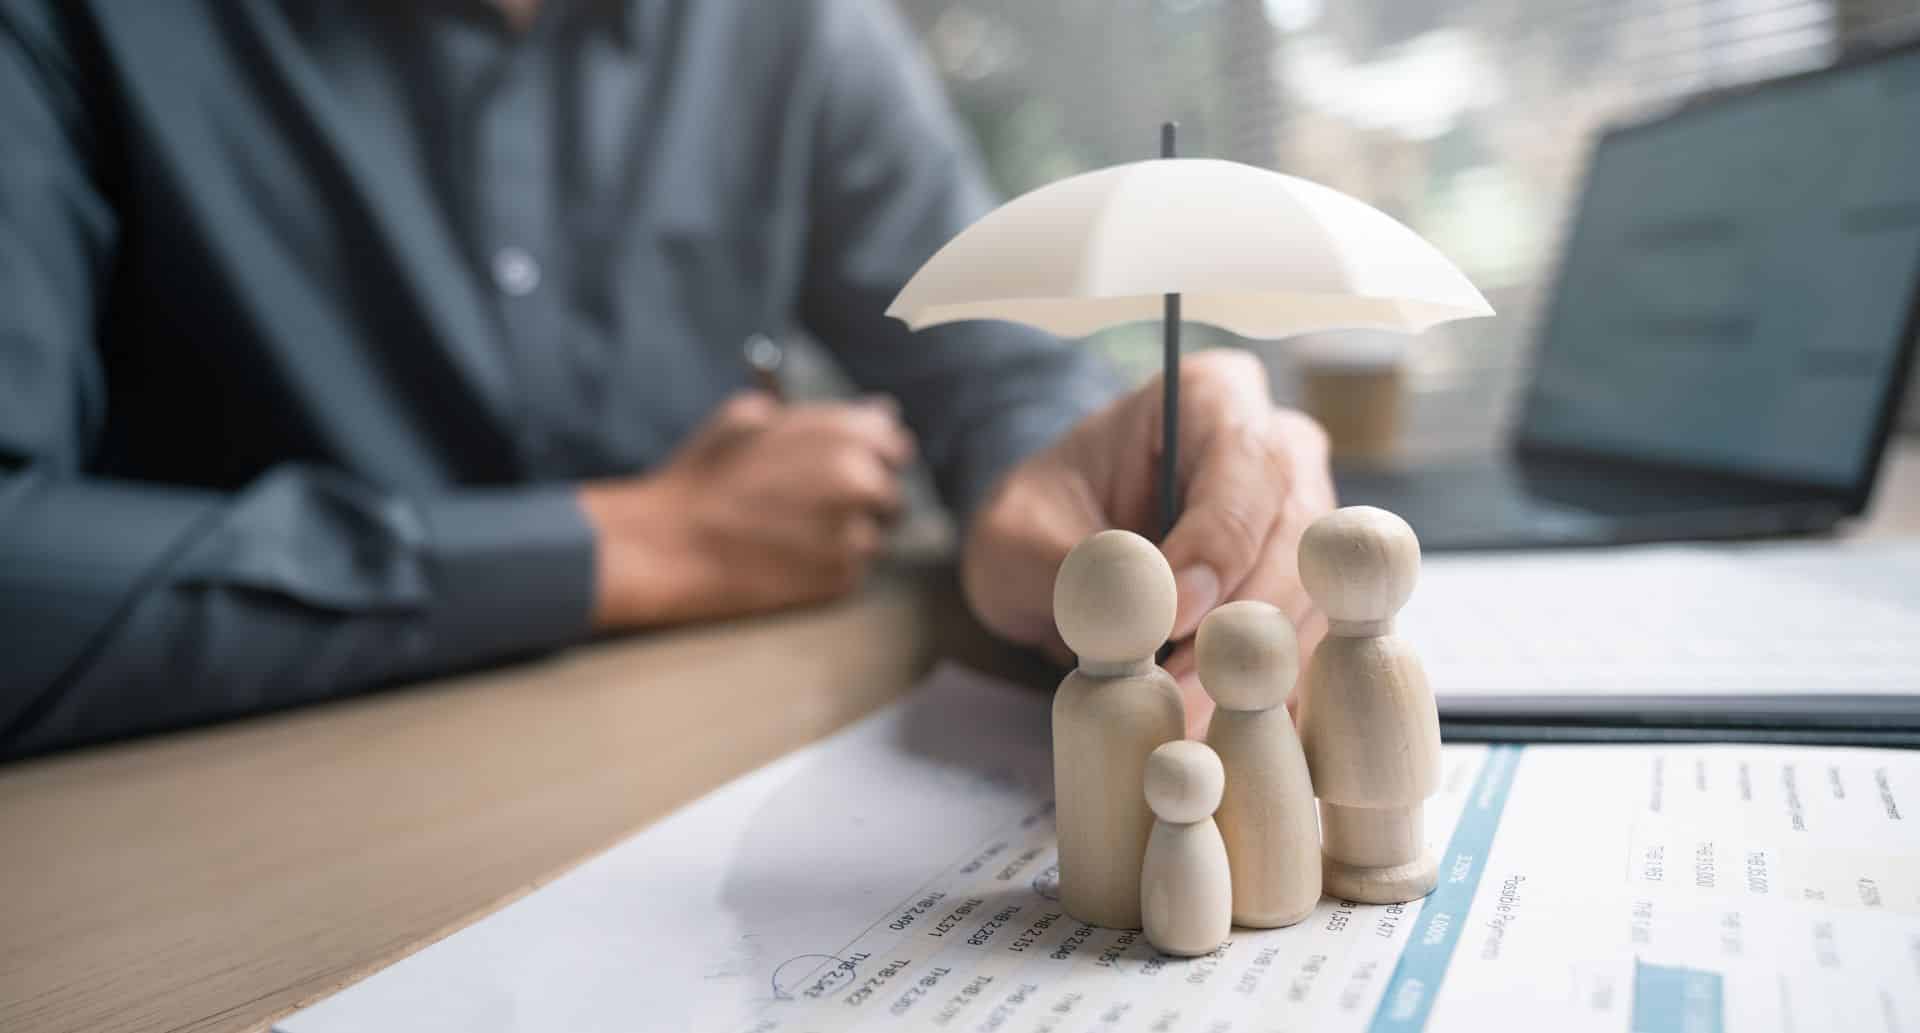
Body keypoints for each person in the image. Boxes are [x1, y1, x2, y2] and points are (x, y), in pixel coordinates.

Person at [0, 0, 1334, 761]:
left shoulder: (796, 33)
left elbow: (990, 371)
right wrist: (632, 543)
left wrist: (1087, 476)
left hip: (689, 796)